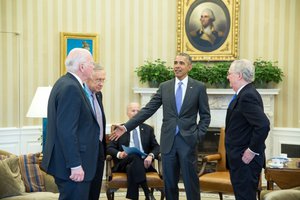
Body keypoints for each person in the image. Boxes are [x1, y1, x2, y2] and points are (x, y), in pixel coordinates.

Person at [110, 52, 211, 200]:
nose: (177, 66)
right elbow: (147, 110)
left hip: (188, 142)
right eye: (175, 62)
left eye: (181, 63)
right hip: (168, 142)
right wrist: (126, 127)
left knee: (191, 182)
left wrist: (197, 136)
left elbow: (205, 116)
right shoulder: (165, 87)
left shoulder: (198, 87)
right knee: (169, 183)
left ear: (189, 67)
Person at [41, 48, 100, 200]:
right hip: (73, 165)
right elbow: (66, 131)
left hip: (71, 162)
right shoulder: (71, 88)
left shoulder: (65, 82)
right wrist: (75, 165)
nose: (93, 67)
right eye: (91, 63)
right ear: (82, 67)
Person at [225, 59, 270, 200]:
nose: (227, 77)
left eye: (229, 74)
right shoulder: (246, 93)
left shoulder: (247, 96)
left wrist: (252, 150)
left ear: (239, 75)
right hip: (241, 160)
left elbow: (263, 125)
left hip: (245, 161)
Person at [107, 102, 160, 200]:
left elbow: (157, 147)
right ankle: (147, 192)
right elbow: (109, 148)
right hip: (123, 162)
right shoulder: (120, 129)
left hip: (144, 164)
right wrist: (120, 154)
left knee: (131, 166)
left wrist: (151, 156)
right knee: (134, 155)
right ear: (127, 113)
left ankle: (134, 197)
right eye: (133, 111)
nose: (136, 113)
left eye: (138, 111)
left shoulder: (148, 129)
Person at [84, 64, 107, 200]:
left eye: (103, 80)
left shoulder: (98, 95)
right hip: (86, 150)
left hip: (99, 148)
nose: (101, 83)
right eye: (98, 79)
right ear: (88, 77)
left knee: (96, 188)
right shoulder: (80, 95)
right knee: (84, 189)